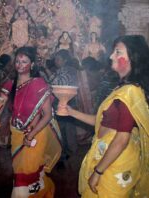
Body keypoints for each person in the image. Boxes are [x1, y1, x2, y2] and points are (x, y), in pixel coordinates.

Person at [62, 35, 149, 197]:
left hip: (116, 162)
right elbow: (101, 122)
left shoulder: (129, 92)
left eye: (118, 52)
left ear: (133, 58)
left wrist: (98, 171)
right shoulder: (123, 88)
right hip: (110, 156)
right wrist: (71, 112)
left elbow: (122, 138)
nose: (110, 56)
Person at [0, 46, 62, 198]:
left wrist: (31, 135)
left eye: (24, 61)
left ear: (32, 64)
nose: (19, 65)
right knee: (21, 174)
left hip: (36, 135)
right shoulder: (9, 84)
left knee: (24, 178)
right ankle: (44, 193)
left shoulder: (39, 84)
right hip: (16, 135)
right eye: (17, 61)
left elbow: (47, 115)